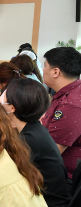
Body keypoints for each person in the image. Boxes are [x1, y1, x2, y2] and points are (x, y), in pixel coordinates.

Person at [0, 79, 71, 207]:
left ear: (12, 108)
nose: (0, 101)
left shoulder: (29, 140)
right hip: (49, 206)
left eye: (3, 98)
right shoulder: (35, 129)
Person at [41, 47, 81, 181]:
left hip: (64, 179)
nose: (42, 70)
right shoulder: (70, 92)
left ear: (55, 72)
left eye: (45, 66)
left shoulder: (71, 104)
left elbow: (50, 152)